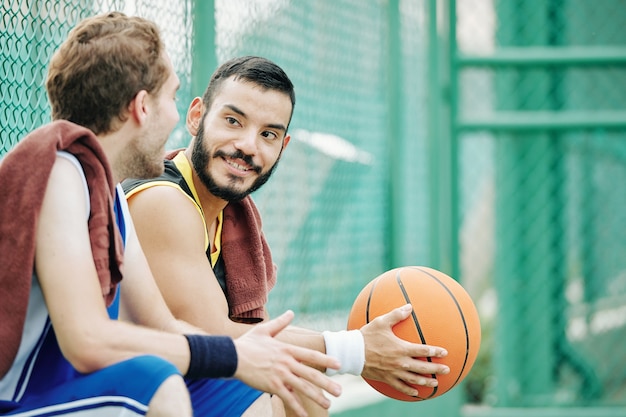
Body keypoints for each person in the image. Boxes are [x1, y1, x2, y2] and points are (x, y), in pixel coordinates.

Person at [0, 13, 342, 417]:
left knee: (293, 387)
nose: (175, 117)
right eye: (173, 98)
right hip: (23, 396)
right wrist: (237, 356)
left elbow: (162, 326)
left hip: (67, 383)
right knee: (157, 385)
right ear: (143, 107)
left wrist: (244, 352)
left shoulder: (106, 194)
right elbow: (87, 340)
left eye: (268, 133)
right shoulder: (62, 174)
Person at [122, 56, 451, 415]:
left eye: (268, 134)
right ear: (196, 116)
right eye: (233, 121)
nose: (248, 146)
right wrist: (355, 350)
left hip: (166, 373)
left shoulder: (226, 216)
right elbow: (215, 332)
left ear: (283, 146)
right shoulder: (161, 200)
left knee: (302, 388)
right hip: (107, 386)